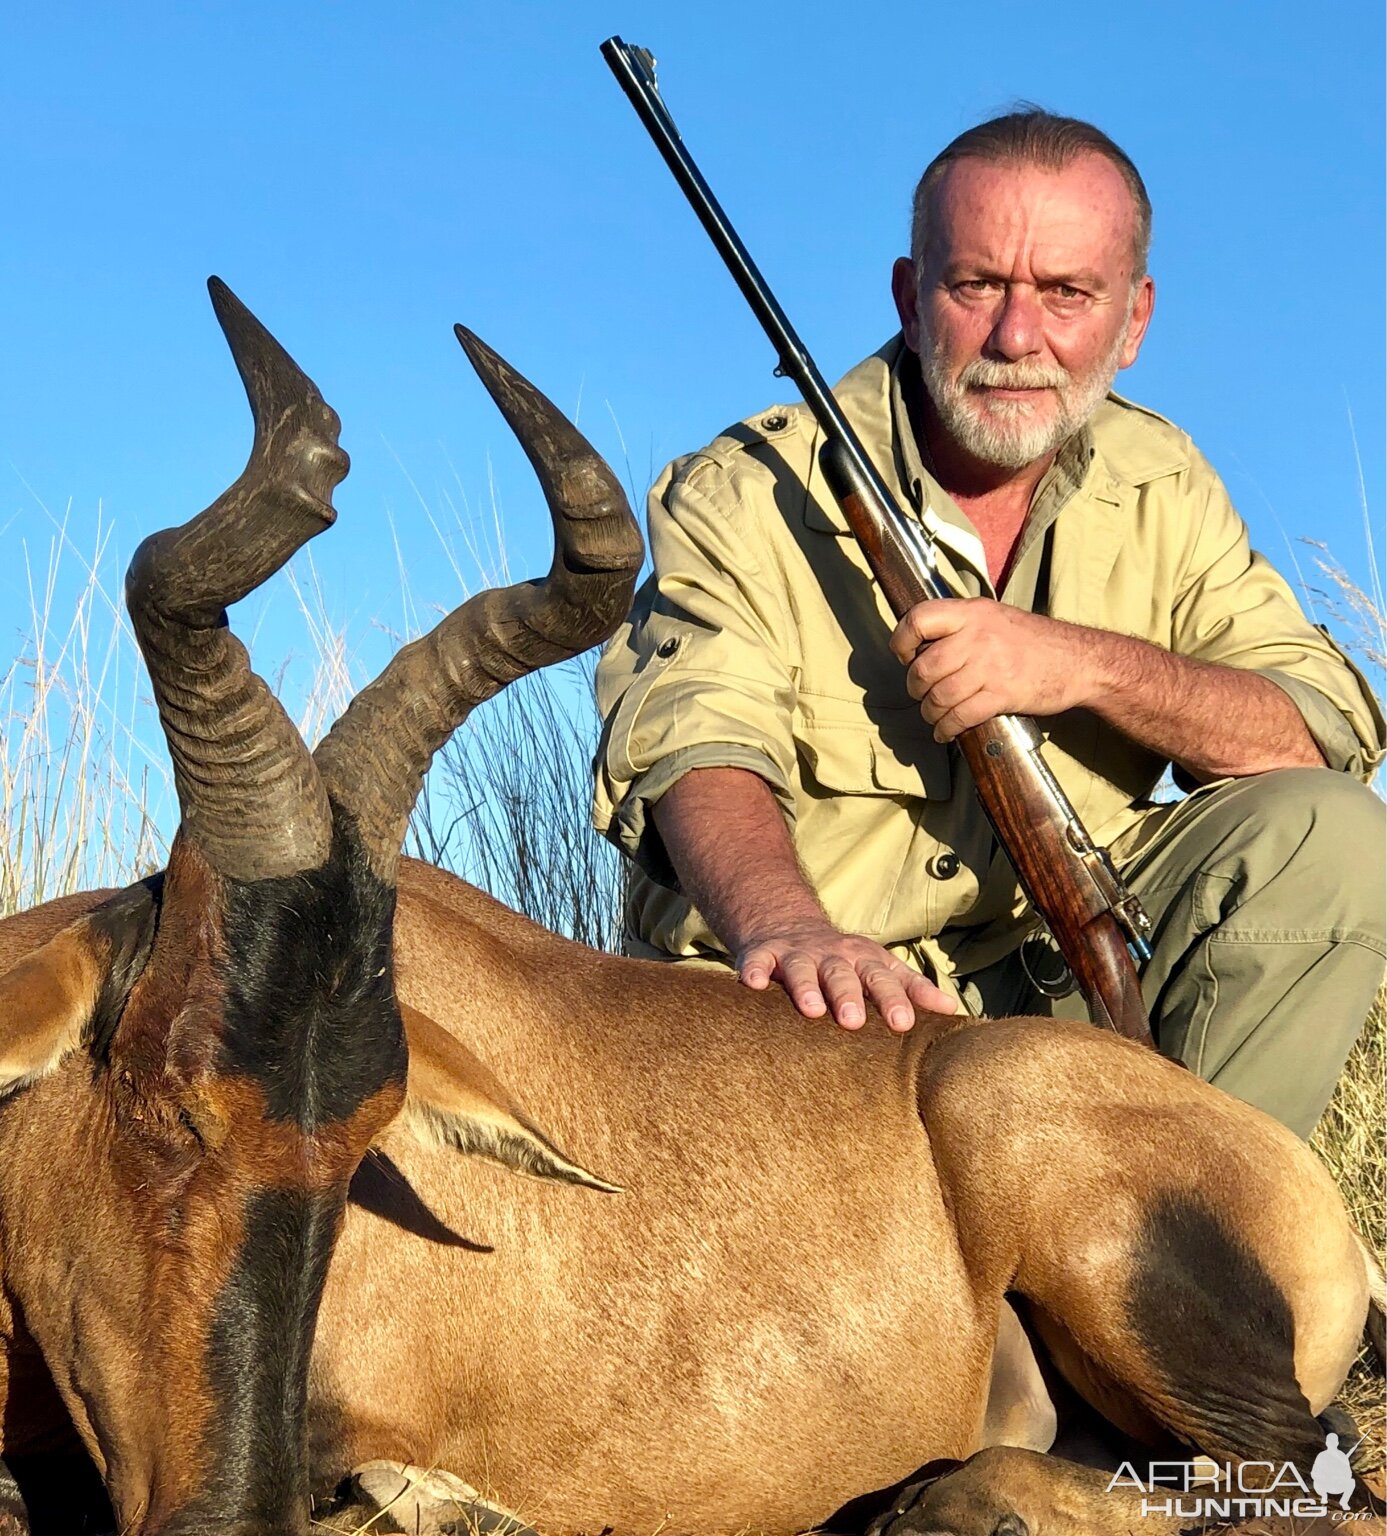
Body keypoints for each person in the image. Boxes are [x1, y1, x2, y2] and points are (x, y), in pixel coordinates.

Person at [592, 110, 1386, 1138]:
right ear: (909, 301)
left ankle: (1208, 1229)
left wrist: (1080, 666)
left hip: (1050, 979)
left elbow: (1315, 729)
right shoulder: (747, 487)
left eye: (1065, 294)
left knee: (1330, 836)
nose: (1017, 339)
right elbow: (693, 736)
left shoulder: (1165, 482)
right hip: (823, 997)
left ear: (1132, 321)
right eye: (976, 287)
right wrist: (788, 930)